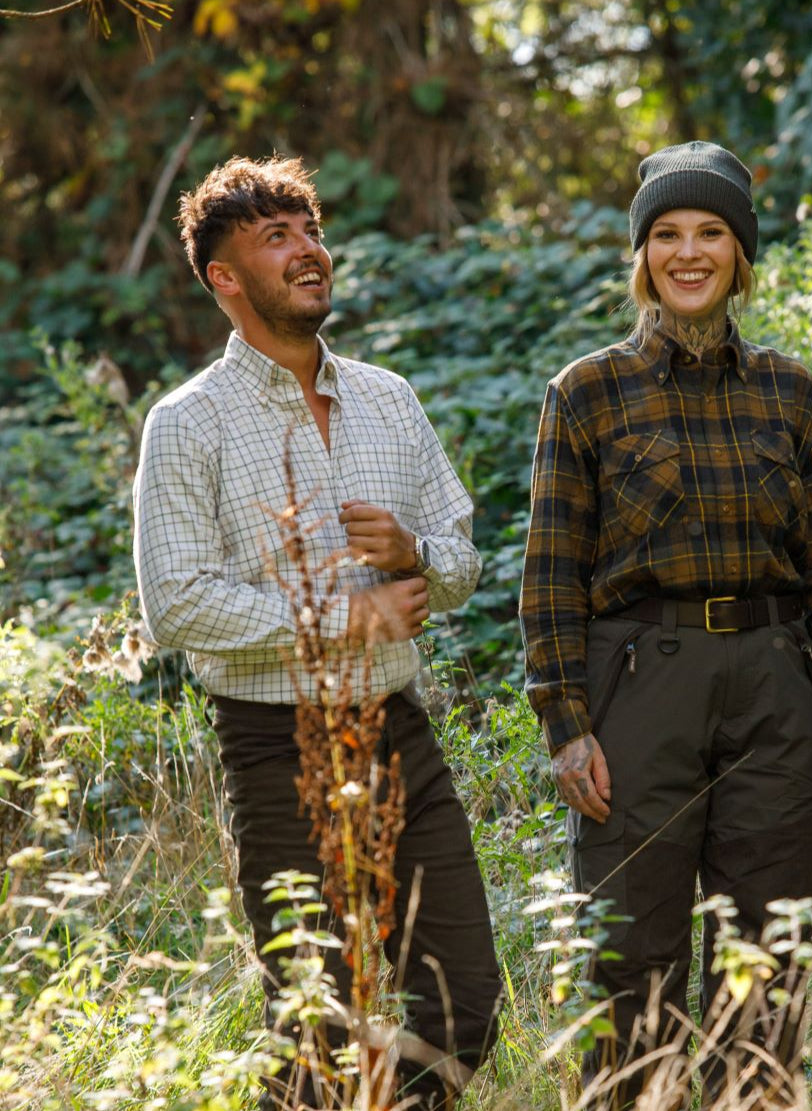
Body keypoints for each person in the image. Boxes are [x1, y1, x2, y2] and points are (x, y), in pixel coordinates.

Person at [133, 155, 501, 1109]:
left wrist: (415, 553)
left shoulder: (390, 397)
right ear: (225, 277)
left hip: (399, 732)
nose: (310, 252)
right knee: (316, 1024)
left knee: (463, 996)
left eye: (310, 231)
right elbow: (175, 602)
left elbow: (462, 559)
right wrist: (345, 617)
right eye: (277, 237)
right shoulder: (187, 424)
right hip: (272, 746)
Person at [519, 141, 812, 1105]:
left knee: (769, 948)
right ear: (641, 256)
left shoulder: (790, 392)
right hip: (639, 682)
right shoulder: (587, 392)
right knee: (632, 947)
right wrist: (565, 721)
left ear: (739, 253)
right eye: (667, 234)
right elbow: (549, 571)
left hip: (772, 681)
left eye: (710, 231)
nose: (688, 252)